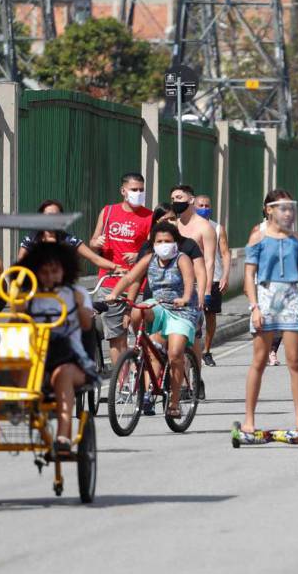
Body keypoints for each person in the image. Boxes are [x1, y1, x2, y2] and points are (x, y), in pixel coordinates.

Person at [107, 222, 206, 417]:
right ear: (153, 243)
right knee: (138, 311)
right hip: (158, 305)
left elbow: (188, 281)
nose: (163, 244)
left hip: (182, 309)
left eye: (167, 241)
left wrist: (186, 298)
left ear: (175, 242)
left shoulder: (182, 258)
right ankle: (145, 343)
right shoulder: (149, 259)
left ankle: (175, 402)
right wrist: (114, 293)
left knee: (176, 353)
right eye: (159, 241)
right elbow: (130, 278)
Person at [16, 242, 99, 453]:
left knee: (62, 375)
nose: (50, 277)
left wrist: (80, 306)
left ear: (65, 270)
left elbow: (87, 325)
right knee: (16, 365)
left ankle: (63, 434)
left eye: (55, 271)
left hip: (70, 357)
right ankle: (22, 407)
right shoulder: (30, 296)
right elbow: (15, 328)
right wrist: (19, 307)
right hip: (36, 357)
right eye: (44, 272)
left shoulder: (76, 292)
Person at [242, 189, 298, 434]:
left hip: (291, 297)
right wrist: (254, 307)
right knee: (259, 360)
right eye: (282, 208)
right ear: (269, 210)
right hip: (266, 296)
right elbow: (249, 275)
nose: (288, 212)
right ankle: (249, 419)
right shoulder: (258, 238)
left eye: (290, 207)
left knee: (294, 360)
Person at [90, 172, 153, 371]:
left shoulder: (149, 216)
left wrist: (138, 255)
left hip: (139, 283)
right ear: (123, 191)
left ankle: (143, 376)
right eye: (134, 190)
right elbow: (92, 244)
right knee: (116, 338)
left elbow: (154, 249)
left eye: (141, 190)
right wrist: (95, 243)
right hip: (110, 282)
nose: (138, 193)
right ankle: (122, 384)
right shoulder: (108, 212)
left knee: (143, 334)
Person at [16, 199, 123, 274]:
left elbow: (94, 258)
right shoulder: (32, 238)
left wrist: (115, 267)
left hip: (61, 290)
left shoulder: (69, 240)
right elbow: (21, 261)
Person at [194, 194, 230, 368]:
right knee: (192, 318)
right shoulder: (186, 227)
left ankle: (206, 351)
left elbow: (225, 253)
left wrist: (225, 275)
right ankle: (191, 351)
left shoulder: (217, 228)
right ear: (193, 206)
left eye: (207, 205)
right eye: (200, 205)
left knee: (210, 316)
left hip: (213, 278)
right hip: (191, 279)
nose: (204, 208)